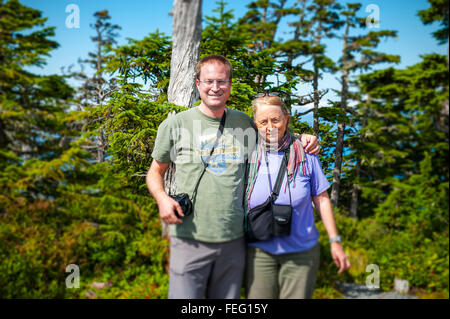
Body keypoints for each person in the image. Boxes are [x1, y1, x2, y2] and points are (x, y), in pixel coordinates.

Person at [146, 54, 320, 299]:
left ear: (229, 85)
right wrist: (162, 199)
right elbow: (155, 171)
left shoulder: (244, 123)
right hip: (189, 239)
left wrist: (304, 139)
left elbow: (275, 133)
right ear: (197, 84)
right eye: (208, 81)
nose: (214, 88)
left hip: (234, 241)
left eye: (221, 81)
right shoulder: (175, 125)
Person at [244, 94, 351, 299]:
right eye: (263, 122)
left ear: (287, 119)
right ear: (255, 124)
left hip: (301, 251)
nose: (270, 127)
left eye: (276, 120)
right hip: (259, 250)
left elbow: (321, 198)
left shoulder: (305, 153)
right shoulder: (247, 153)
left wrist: (335, 240)